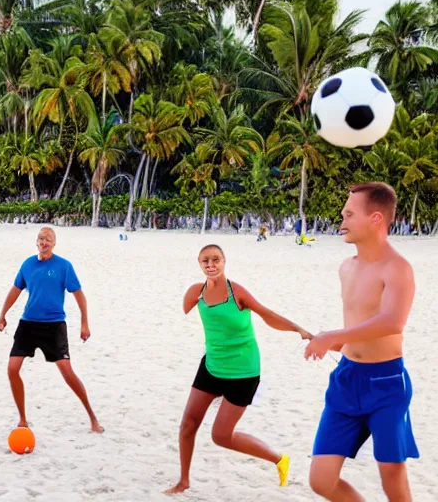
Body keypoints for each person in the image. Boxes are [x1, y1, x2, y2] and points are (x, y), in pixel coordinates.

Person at [165, 244, 312, 495]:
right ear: (199, 264)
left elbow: (268, 315)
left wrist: (299, 329)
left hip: (243, 371)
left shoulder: (237, 293)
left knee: (221, 436)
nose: (211, 265)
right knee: (188, 424)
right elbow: (185, 311)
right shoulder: (195, 293)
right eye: (205, 261)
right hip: (212, 365)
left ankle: (279, 459)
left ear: (224, 262)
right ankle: (184, 481)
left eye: (215, 260)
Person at [304, 182, 419, 502]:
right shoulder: (347, 267)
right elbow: (357, 324)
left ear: (376, 219)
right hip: (346, 378)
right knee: (322, 480)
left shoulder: (397, 268)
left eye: (349, 214)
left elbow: (392, 322)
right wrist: (332, 341)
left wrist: (332, 337)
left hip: (386, 383)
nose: (341, 221)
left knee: (392, 477)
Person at [0, 227, 103, 433]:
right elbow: (15, 290)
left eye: (48, 239)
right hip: (28, 324)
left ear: (54, 244)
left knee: (67, 372)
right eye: (41, 239)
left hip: (54, 325)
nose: (44, 242)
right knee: (12, 369)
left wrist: (84, 323)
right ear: (36, 242)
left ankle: (92, 418)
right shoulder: (28, 264)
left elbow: (79, 296)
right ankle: (22, 419)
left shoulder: (64, 266)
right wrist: (3, 314)